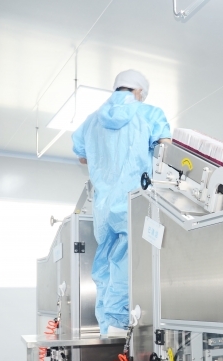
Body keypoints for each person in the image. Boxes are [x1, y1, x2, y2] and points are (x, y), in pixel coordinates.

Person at [72, 70, 171, 336]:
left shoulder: (91, 121)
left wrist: (104, 160)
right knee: (129, 263)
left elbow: (82, 156)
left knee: (105, 262)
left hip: (104, 206)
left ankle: (107, 327)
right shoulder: (150, 113)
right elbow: (166, 151)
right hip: (134, 202)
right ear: (138, 91)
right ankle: (120, 327)